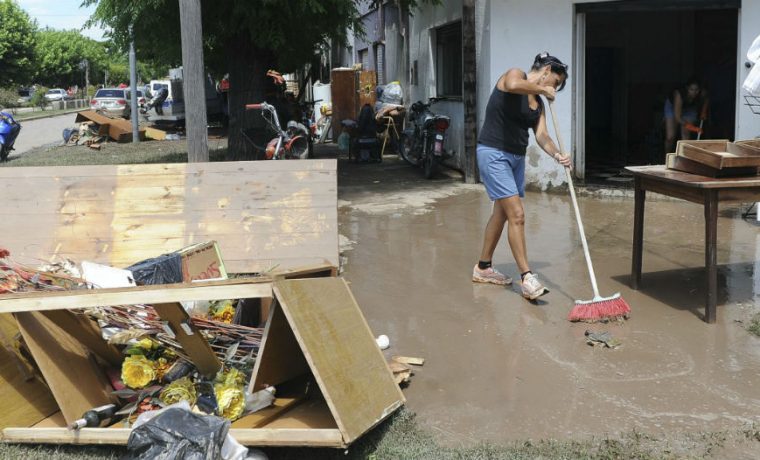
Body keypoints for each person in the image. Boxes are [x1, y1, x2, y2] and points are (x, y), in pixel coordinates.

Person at [472, 52, 571, 300]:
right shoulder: (515, 75)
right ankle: (527, 277)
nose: (554, 89)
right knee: (517, 214)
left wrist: (558, 155)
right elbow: (515, 86)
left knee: (503, 213)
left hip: (515, 159)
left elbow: (542, 136)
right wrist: (544, 90)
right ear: (546, 70)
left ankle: (483, 268)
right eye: (555, 82)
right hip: (493, 153)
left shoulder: (537, 102)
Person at [664, 78, 709, 153]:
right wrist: (693, 128)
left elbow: (707, 98)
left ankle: (685, 158)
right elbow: (677, 118)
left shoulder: (702, 93)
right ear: (687, 88)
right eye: (691, 89)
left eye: (696, 90)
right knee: (670, 137)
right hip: (673, 107)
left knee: (685, 135)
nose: (694, 92)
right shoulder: (679, 94)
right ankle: (666, 156)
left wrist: (703, 111)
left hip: (689, 109)